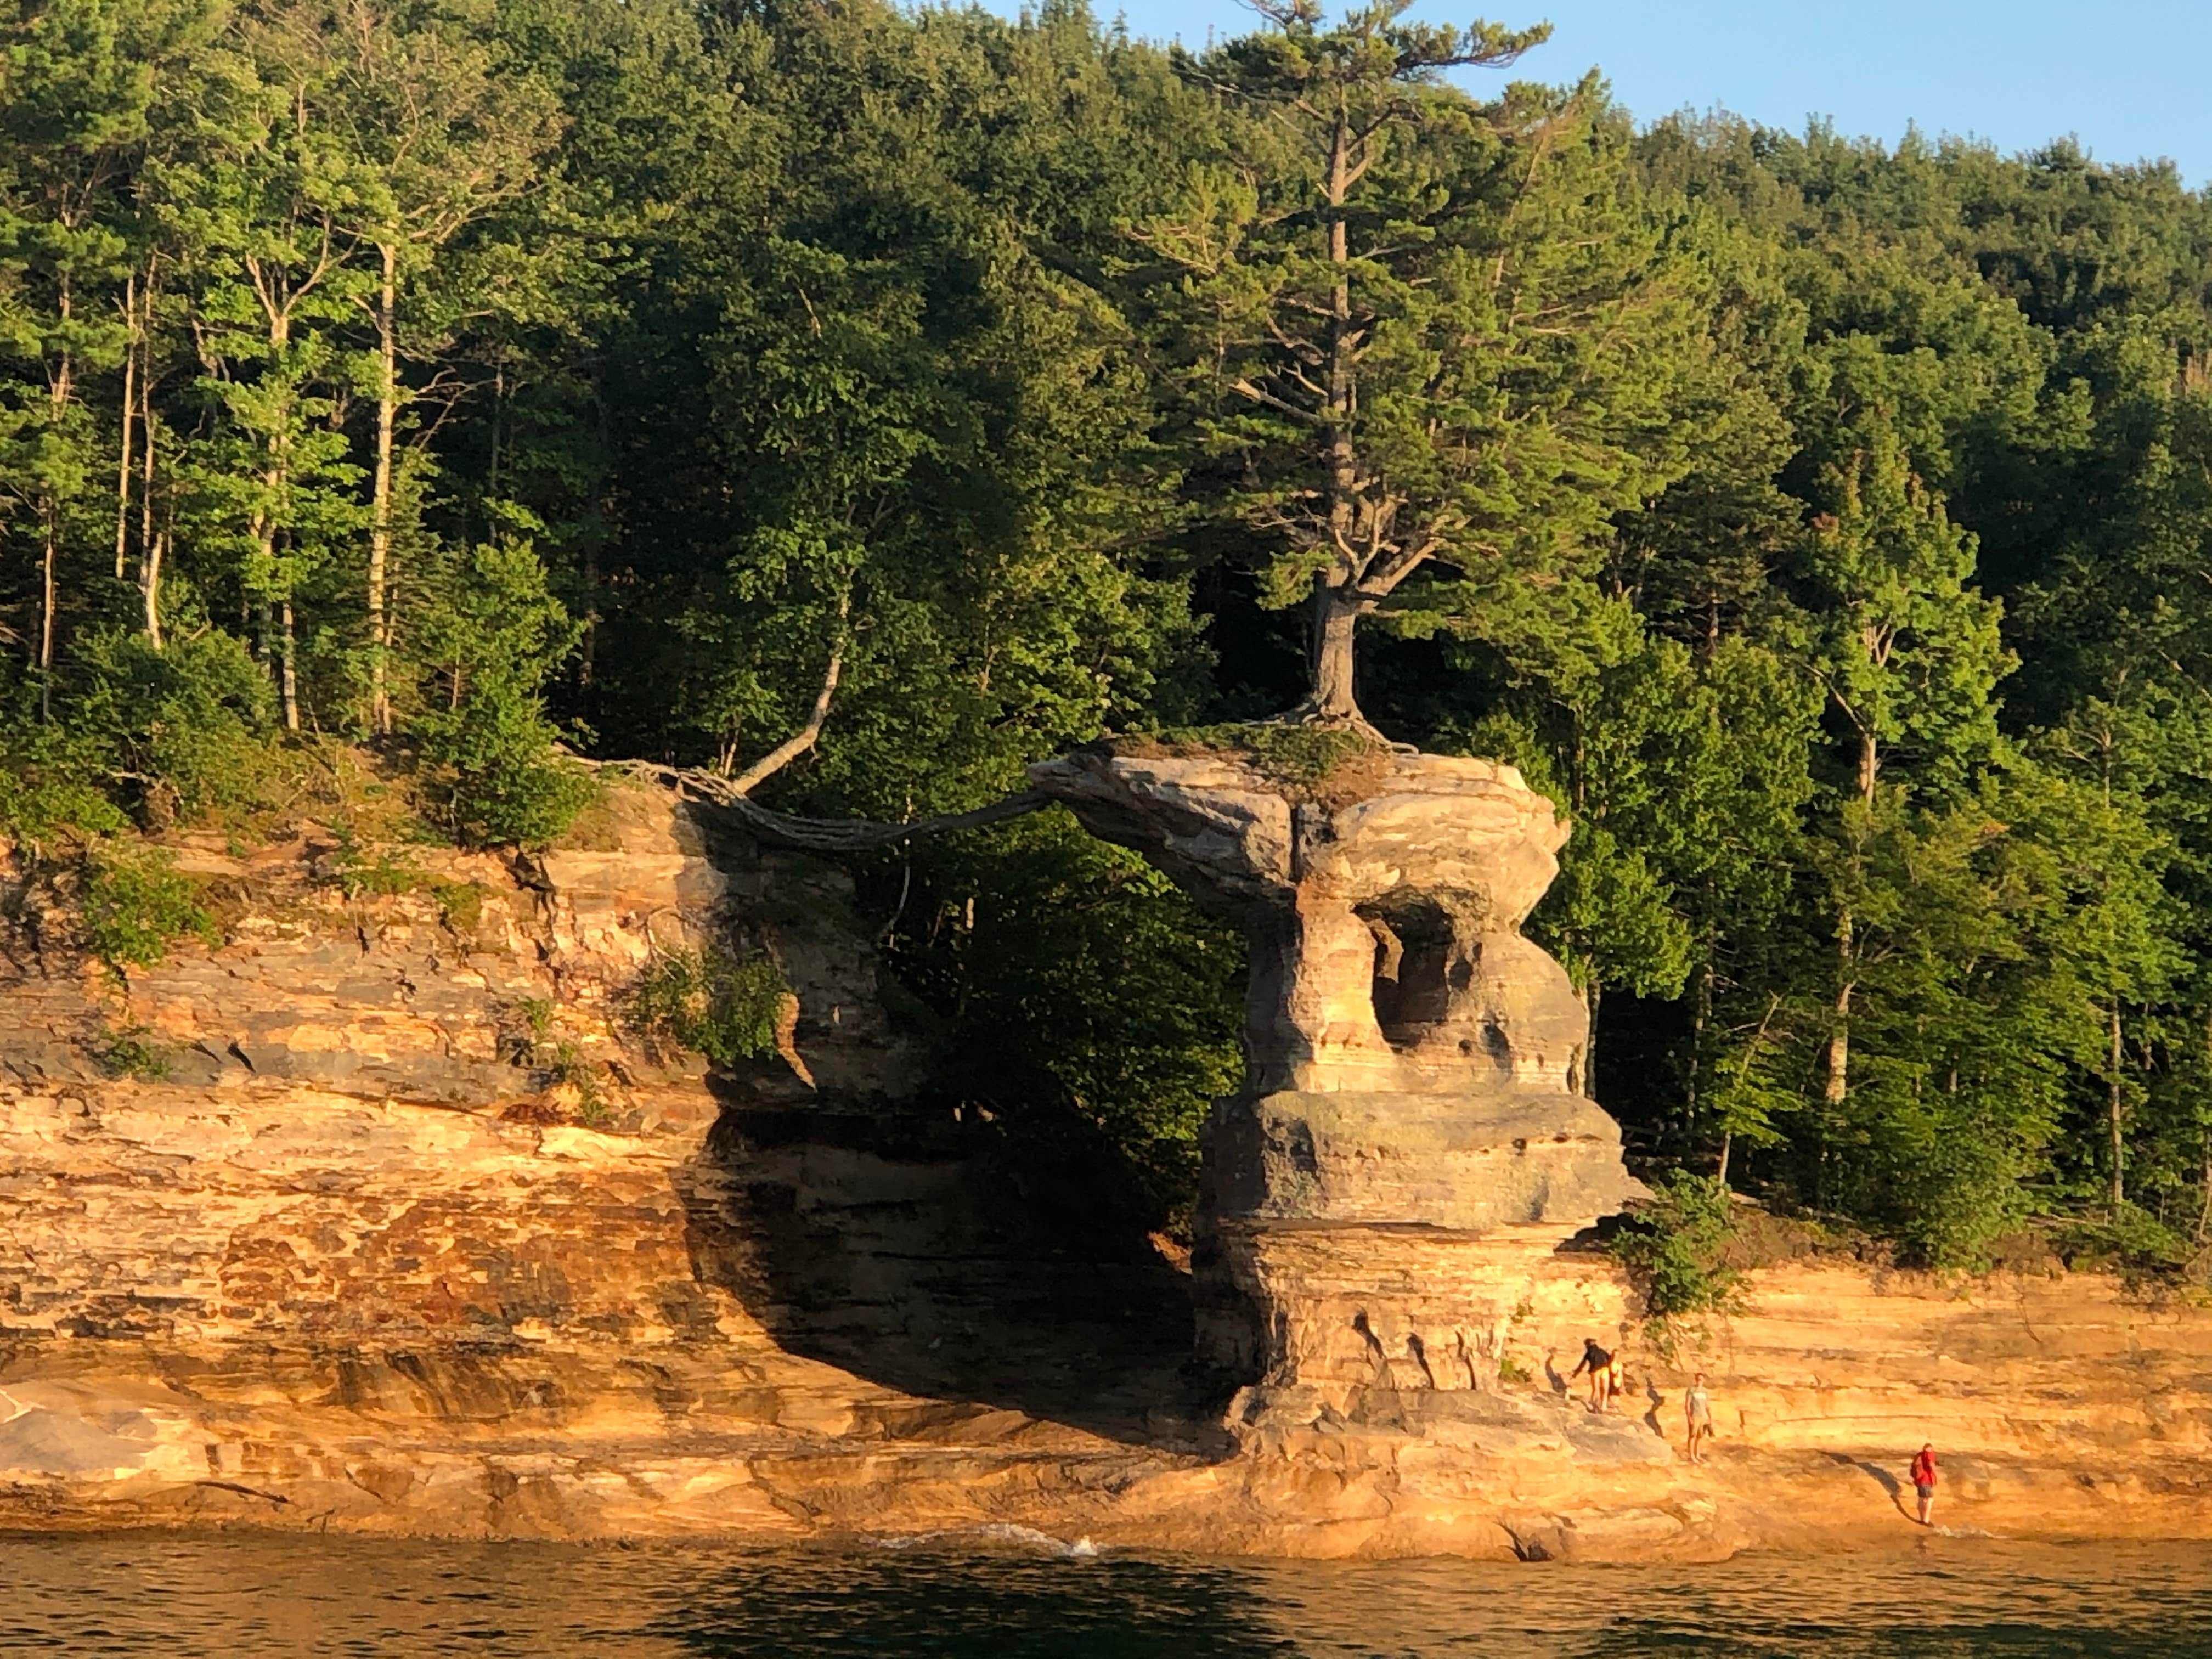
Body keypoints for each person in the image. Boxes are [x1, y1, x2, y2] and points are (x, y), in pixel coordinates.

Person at [1567, 1338, 1613, 1412]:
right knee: (1605, 1389)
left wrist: (1575, 1374)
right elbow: (1610, 1359)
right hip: (1605, 1369)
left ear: (1587, 1345)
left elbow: (1582, 1365)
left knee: (1596, 1389)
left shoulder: (1589, 1353)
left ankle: (1593, 1405)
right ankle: (1603, 1407)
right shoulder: (1602, 1351)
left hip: (1595, 1370)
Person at [1684, 1372, 1714, 1464]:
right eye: (1698, 1379)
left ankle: (1698, 1455)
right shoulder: (1692, 1390)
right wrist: (1689, 1417)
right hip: (1695, 1415)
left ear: (1703, 1380)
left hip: (1703, 1416)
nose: (1699, 1381)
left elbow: (1707, 1405)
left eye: (1701, 1379)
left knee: (1700, 1436)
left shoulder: (1705, 1392)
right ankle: (1692, 1456)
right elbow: (1687, 1405)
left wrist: (1709, 1417)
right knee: (1692, 1436)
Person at [1910, 1443, 1938, 1526]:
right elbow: (1931, 1464)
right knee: (1930, 1499)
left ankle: (1922, 1519)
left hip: (1919, 1480)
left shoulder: (1918, 1456)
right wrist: (1935, 1475)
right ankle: (1926, 1520)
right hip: (1926, 1480)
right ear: (1931, 1449)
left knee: (1922, 1499)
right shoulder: (1929, 1454)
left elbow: (1913, 1468)